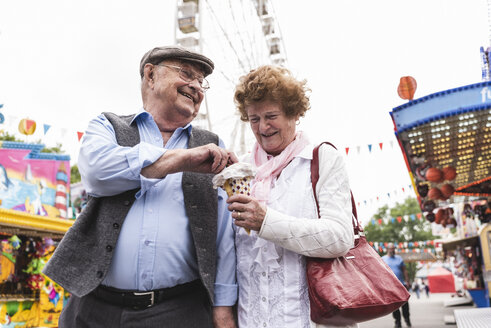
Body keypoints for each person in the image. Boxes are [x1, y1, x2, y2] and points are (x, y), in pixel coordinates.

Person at [43, 46, 238, 328]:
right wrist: (181, 159)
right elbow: (97, 174)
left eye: (201, 81)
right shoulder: (108, 126)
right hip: (93, 307)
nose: (196, 86)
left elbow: (224, 235)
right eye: (187, 74)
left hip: (179, 311)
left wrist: (223, 309)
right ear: (150, 75)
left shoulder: (213, 144)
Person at [228, 65, 355, 328]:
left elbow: (340, 238)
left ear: (295, 114)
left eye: (271, 116)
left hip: (310, 320)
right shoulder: (239, 172)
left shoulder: (321, 160)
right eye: (254, 119)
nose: (263, 127)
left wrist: (266, 222)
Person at [382, 243, 411, 328]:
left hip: (401, 285)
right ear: (387, 249)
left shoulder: (399, 259)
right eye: (390, 249)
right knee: (395, 305)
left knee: (405, 304)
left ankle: (407, 318)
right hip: (390, 286)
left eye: (393, 248)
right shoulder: (383, 259)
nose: (392, 250)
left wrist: (407, 281)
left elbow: (404, 270)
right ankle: (398, 322)